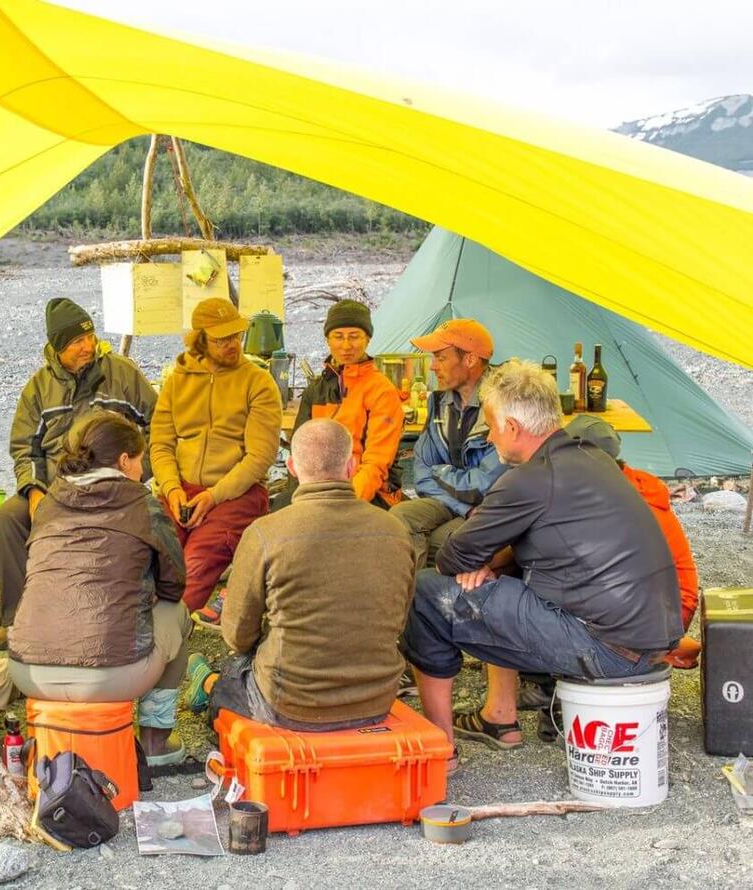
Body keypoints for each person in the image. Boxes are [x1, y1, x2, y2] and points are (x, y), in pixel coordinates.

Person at [401, 361, 682, 767]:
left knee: (427, 593)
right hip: (647, 636)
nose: (491, 435)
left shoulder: (529, 479)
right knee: (491, 584)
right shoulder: (588, 457)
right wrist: (495, 563)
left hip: (608, 647)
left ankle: (439, 748)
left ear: (512, 428)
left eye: (493, 426)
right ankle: (499, 718)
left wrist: (486, 562)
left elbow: (453, 556)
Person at [185, 419, 416, 731]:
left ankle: (209, 683)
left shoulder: (265, 533)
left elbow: (237, 635)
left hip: (289, 704)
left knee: (234, 668)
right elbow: (398, 619)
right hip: (376, 700)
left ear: (291, 467)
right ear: (351, 466)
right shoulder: (396, 530)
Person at [8, 414, 189, 763]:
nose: (143, 469)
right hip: (107, 675)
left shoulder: (47, 503)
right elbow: (173, 583)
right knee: (176, 614)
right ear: (125, 460)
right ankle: (154, 741)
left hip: (27, 669)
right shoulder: (142, 503)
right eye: (140, 460)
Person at [0, 297, 156, 649]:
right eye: (77, 341)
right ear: (57, 347)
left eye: (90, 336)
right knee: (9, 518)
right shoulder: (38, 388)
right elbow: (25, 447)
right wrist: (33, 491)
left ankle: (117, 618)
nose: (88, 346)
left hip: (114, 487)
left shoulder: (122, 374)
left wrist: (137, 472)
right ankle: (18, 619)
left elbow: (161, 424)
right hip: (57, 489)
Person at [150, 297, 281, 619]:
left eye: (235, 336)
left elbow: (260, 456)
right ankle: (143, 628)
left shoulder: (258, 382)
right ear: (201, 340)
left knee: (198, 560)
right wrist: (172, 488)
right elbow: (160, 445)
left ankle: (167, 630)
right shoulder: (177, 380)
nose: (231, 345)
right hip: (180, 489)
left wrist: (213, 495)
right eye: (221, 339)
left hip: (236, 492)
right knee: (154, 557)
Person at [566, 415, 702, 669]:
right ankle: (665, 647)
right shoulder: (630, 480)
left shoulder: (610, 496)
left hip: (658, 616)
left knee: (533, 592)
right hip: (670, 606)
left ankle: (547, 683)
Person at [390, 319, 507, 566]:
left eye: (440, 358)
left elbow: (485, 484)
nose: (432, 367)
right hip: (457, 504)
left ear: (470, 360)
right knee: (398, 518)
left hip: (492, 507)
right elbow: (422, 474)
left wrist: (442, 471)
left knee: (441, 541)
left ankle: (421, 598)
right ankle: (406, 599)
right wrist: (461, 507)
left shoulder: (504, 401)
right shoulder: (440, 402)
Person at [289, 299, 403, 507]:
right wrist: (302, 499)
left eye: (354, 337)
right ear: (327, 340)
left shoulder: (381, 391)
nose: (346, 346)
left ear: (367, 339)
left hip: (368, 493)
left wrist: (343, 502)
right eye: (338, 337)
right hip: (316, 490)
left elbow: (376, 463)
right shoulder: (316, 390)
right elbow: (300, 452)